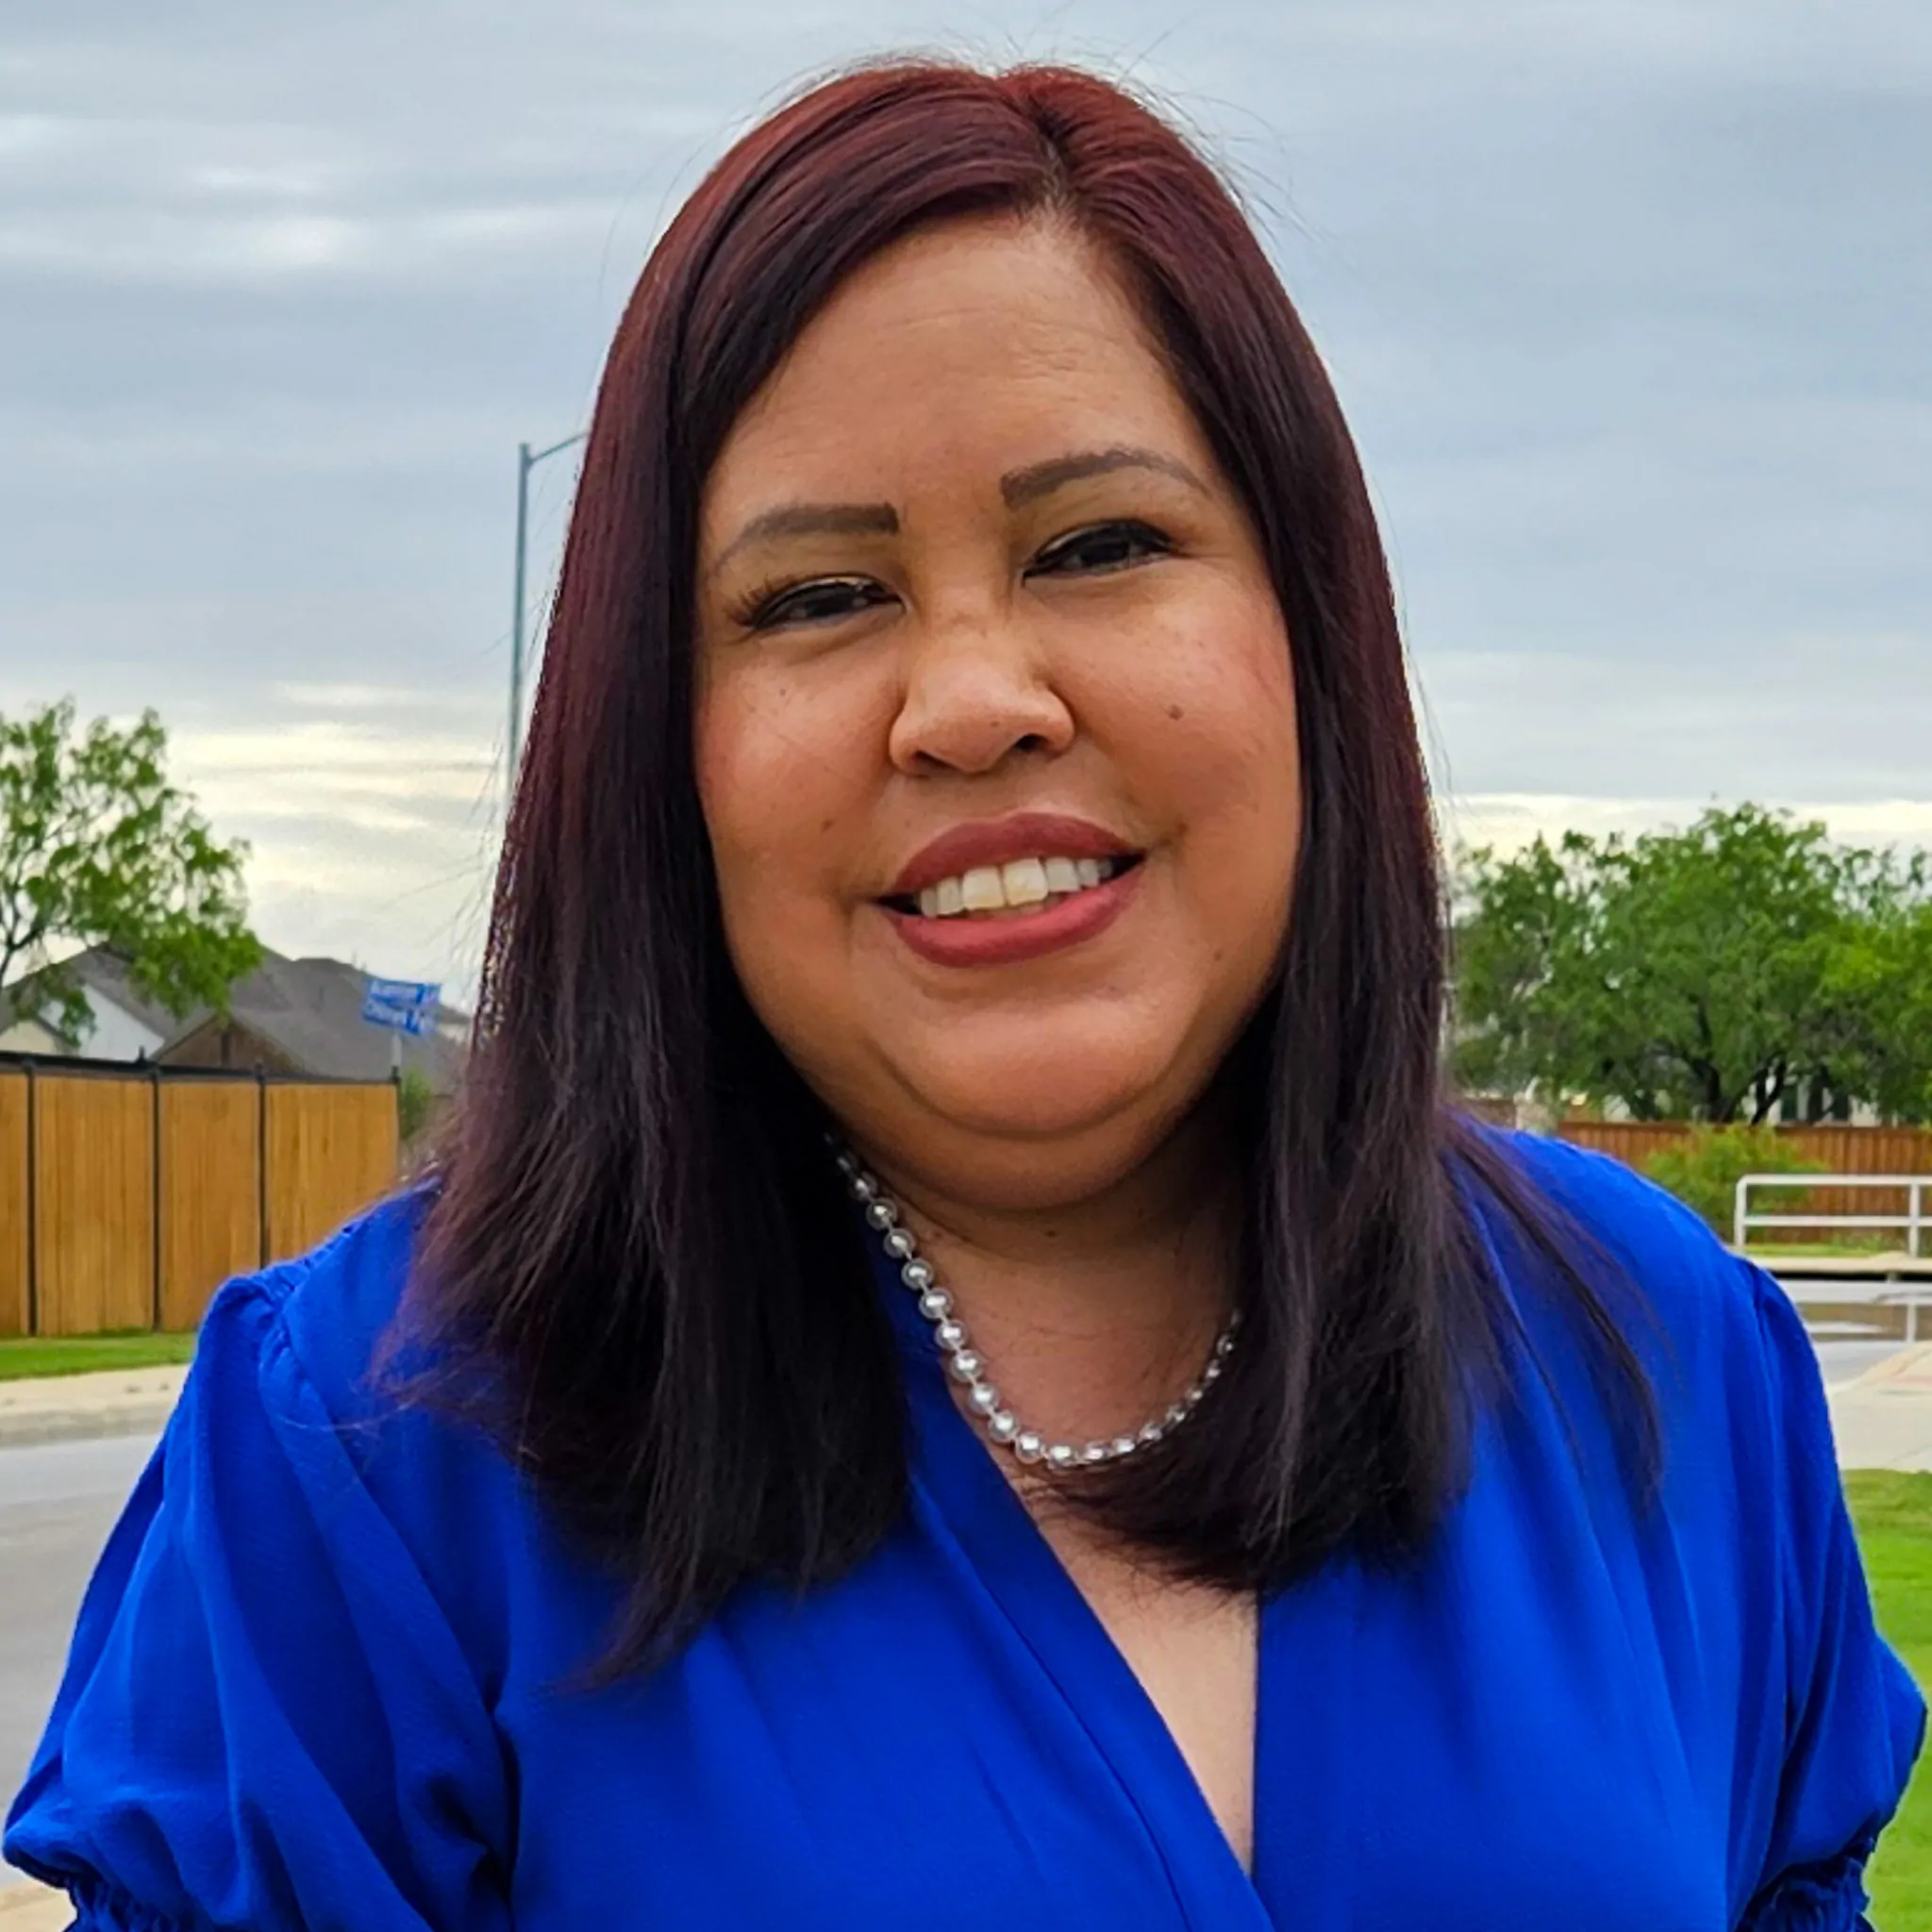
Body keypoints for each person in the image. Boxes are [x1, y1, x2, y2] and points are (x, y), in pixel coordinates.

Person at [6, 59, 1922, 1931]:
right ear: (665, 749)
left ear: (1307, 634)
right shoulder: (371, 1461)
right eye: (818, 597)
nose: (974, 698)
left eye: (1098, 545)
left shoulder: (1659, 1367)